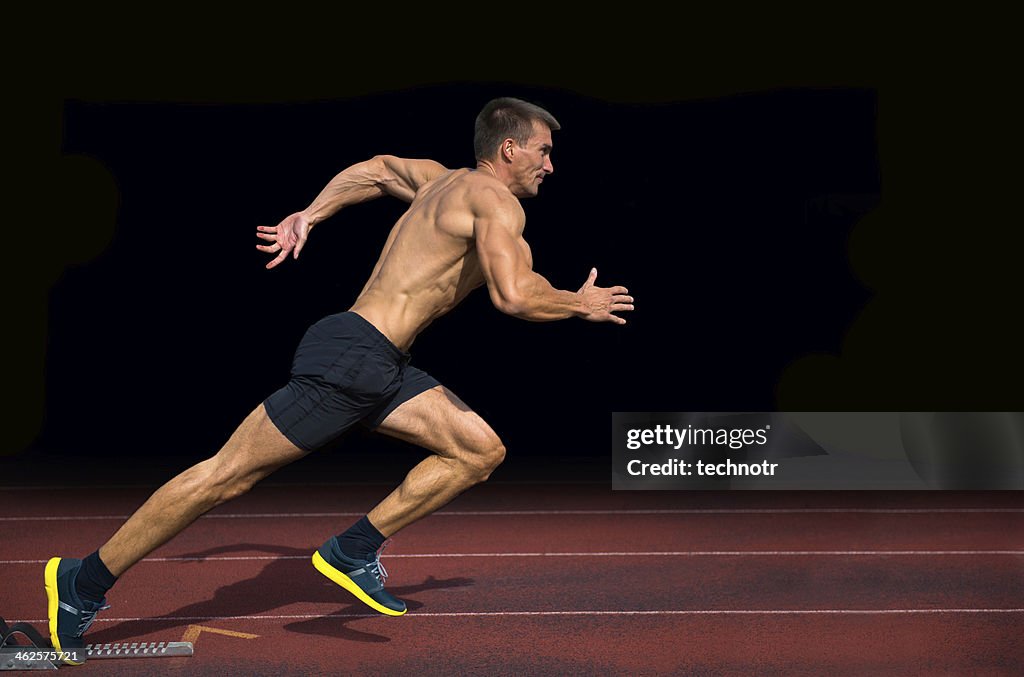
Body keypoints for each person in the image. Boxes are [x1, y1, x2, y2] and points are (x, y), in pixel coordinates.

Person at [44, 96, 634, 663]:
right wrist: (578, 304)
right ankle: (82, 580)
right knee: (222, 478)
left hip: (378, 361)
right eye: (543, 152)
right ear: (509, 149)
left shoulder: (439, 181)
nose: (550, 165)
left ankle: (352, 550)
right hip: (354, 360)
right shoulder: (499, 204)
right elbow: (513, 295)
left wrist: (311, 214)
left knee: (478, 451)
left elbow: (376, 170)